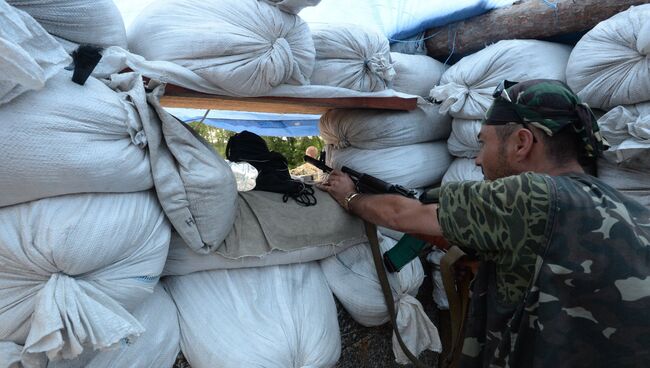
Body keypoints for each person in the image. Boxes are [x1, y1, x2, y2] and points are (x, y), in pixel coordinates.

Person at [319, 79, 650, 367]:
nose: (477, 158)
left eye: (484, 143)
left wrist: (350, 197)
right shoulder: (625, 204)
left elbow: (401, 214)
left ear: (521, 143)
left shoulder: (531, 193)